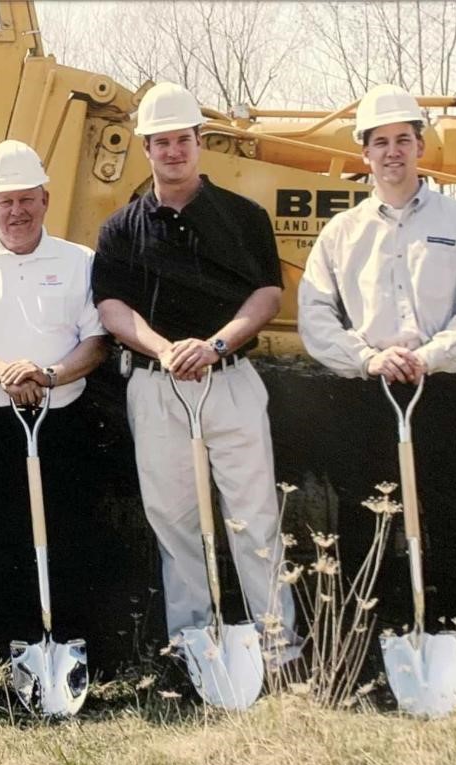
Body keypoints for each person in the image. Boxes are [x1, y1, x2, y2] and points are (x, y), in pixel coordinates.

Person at [91, 82, 298, 664]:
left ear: (199, 142)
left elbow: (266, 296)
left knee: (254, 517)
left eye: (182, 140)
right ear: (146, 149)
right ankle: (195, 644)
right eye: (161, 143)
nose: (173, 152)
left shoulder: (243, 217)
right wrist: (163, 349)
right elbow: (112, 308)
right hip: (157, 389)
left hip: (229, 381)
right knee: (174, 521)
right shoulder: (120, 229)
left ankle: (279, 647)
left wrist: (213, 344)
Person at [297, 83, 456, 650]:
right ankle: (357, 650)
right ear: (364, 152)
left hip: (440, 391)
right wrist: (368, 358)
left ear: (420, 146)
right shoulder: (341, 233)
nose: (392, 152)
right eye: (380, 142)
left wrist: (427, 357)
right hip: (367, 396)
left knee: (454, 518)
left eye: (404, 140)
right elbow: (316, 315)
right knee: (365, 523)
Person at [0, 140, 108, 656]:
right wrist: (5, 372)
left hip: (62, 419)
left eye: (27, 199)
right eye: (4, 201)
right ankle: (14, 647)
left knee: (69, 532)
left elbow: (96, 341)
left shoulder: (80, 261)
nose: (17, 211)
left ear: (46, 200)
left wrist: (48, 375)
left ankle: (71, 645)